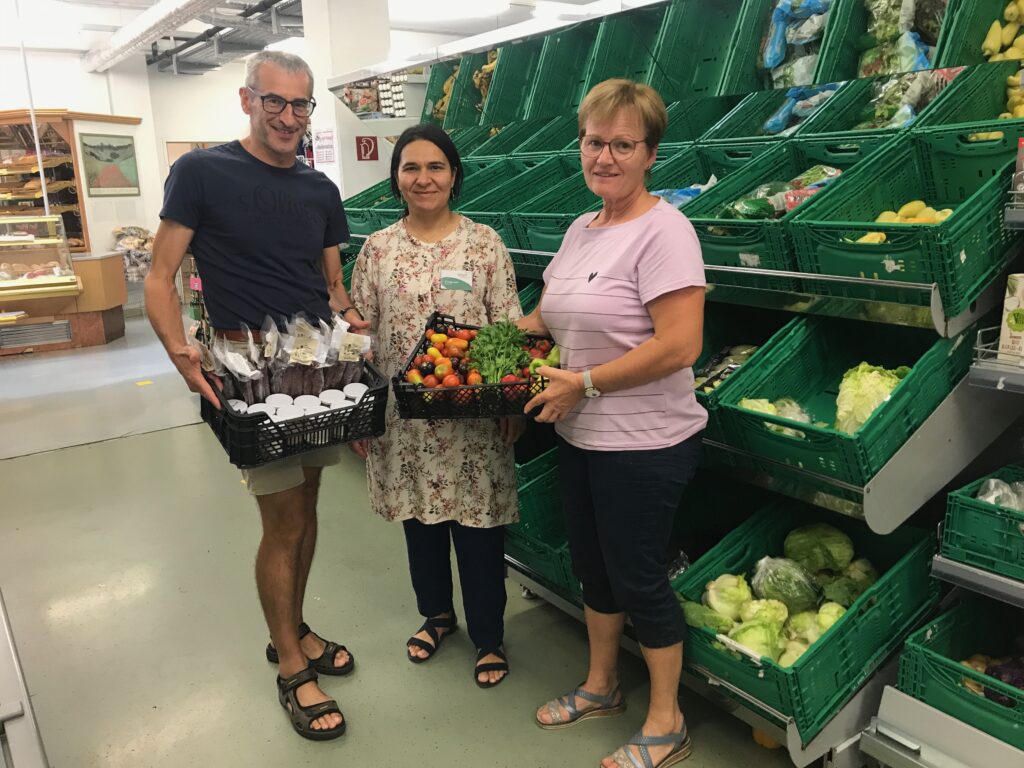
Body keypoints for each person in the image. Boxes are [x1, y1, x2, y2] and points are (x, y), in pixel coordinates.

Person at [145, 50, 366, 742]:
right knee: (283, 521)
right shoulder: (203, 172)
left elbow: (332, 289)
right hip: (248, 365)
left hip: (314, 362)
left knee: (308, 504)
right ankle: (292, 669)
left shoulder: (320, 190)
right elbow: (159, 274)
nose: (290, 118)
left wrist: (356, 331)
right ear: (248, 101)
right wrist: (180, 350)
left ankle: (292, 629)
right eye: (277, 102)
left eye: (302, 105)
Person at [518, 79, 706, 768]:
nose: (605, 156)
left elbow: (680, 345)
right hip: (581, 436)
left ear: (650, 153)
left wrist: (585, 383)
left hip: (645, 444)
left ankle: (667, 719)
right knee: (594, 570)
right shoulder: (581, 227)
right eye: (595, 142)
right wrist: (484, 343)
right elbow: (545, 318)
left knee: (638, 576)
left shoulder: (666, 231)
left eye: (622, 144)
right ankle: (601, 686)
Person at [349, 123, 524, 689]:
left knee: (478, 529)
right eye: (411, 168)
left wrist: (512, 401)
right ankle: (437, 616)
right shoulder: (378, 249)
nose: (423, 179)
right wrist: (360, 409)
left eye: (436, 167)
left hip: (473, 416)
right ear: (396, 178)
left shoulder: (485, 244)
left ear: (454, 176)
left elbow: (506, 326)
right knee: (419, 523)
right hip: (403, 419)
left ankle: (489, 636)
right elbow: (361, 334)